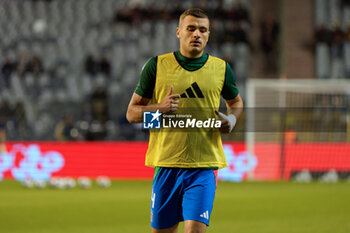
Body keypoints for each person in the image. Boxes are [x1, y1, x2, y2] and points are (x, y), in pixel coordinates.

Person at [126, 8, 243, 233]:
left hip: (203, 166)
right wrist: (159, 109)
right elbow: (132, 114)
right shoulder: (156, 66)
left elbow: (236, 103)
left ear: (209, 34)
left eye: (203, 30)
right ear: (179, 32)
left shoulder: (221, 69)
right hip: (166, 164)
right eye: (191, 28)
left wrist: (231, 119)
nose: (196, 34)